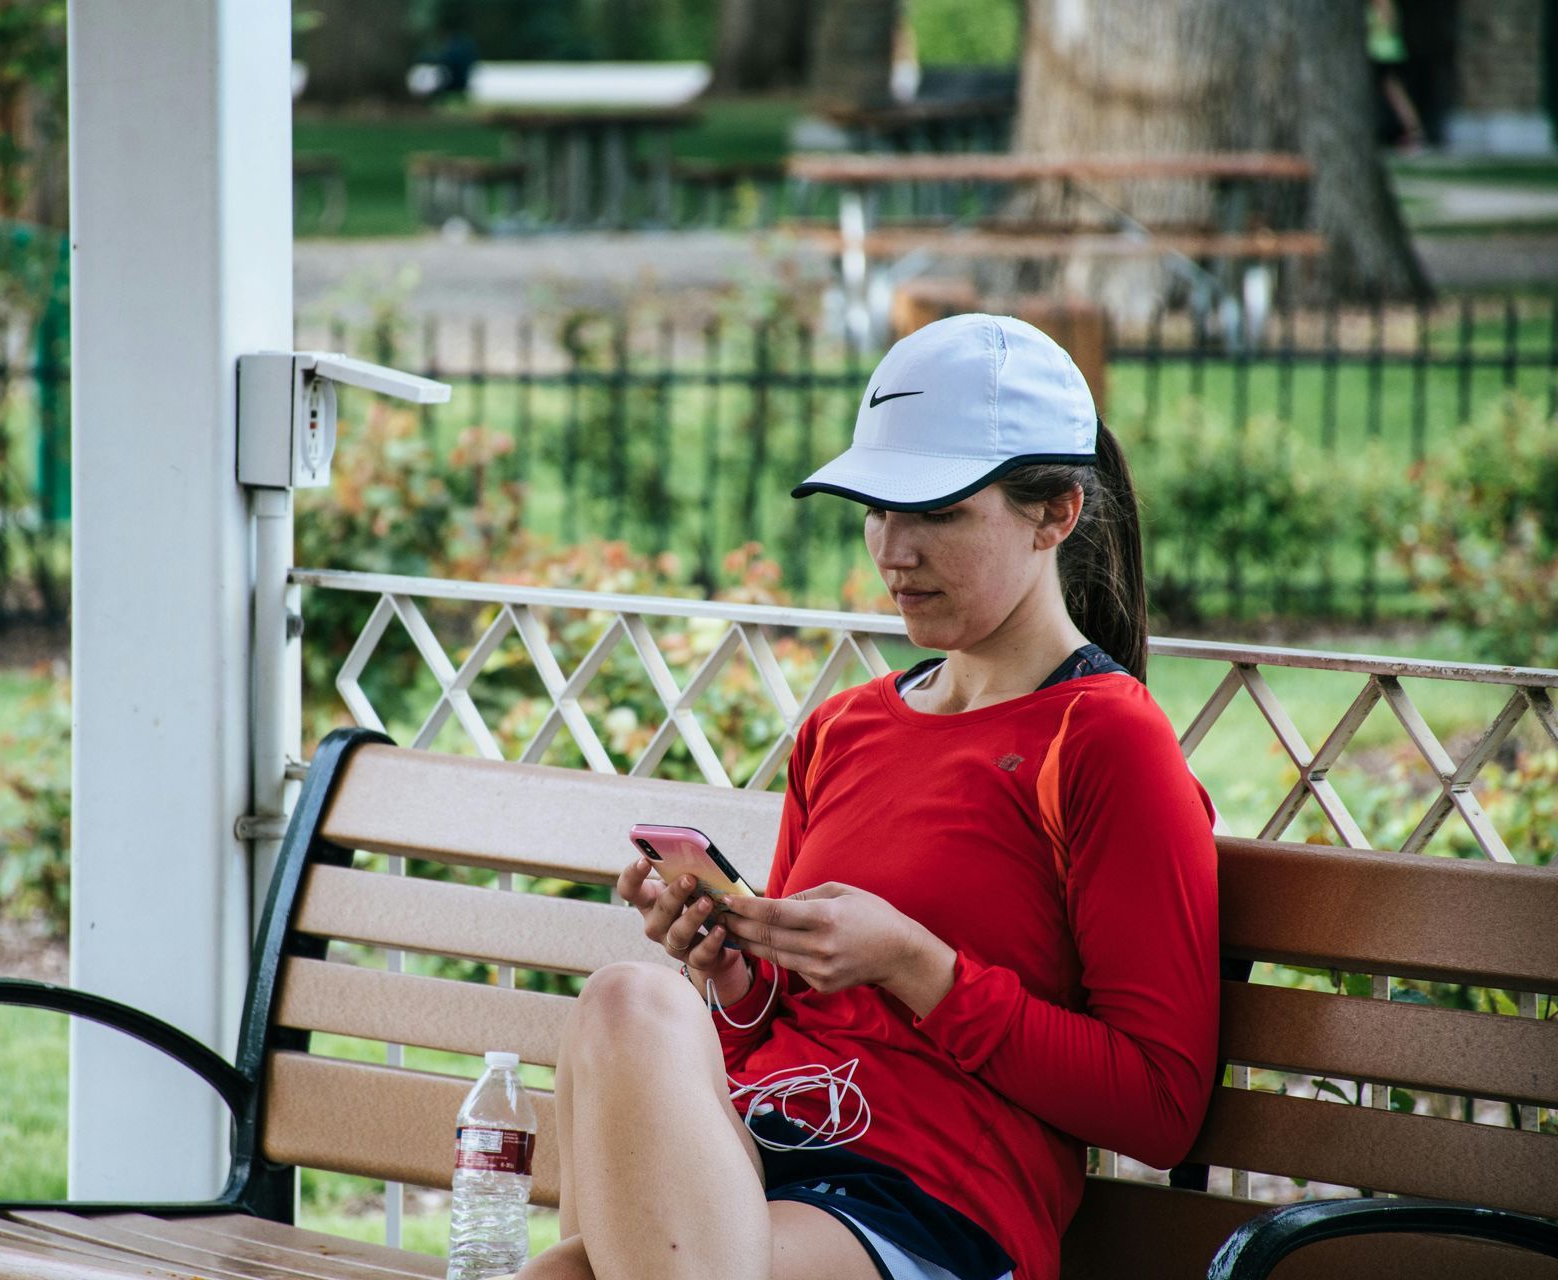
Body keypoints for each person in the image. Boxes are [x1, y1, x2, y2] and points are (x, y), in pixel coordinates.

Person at [515, 314, 1221, 1280]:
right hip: (763, 1151)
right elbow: (783, 1026)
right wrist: (731, 972)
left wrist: (920, 966)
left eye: (936, 512)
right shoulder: (843, 728)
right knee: (626, 1003)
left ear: (1056, 512)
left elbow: (1160, 1106)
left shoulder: (1104, 740)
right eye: (876, 509)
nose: (894, 550)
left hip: (932, 1209)